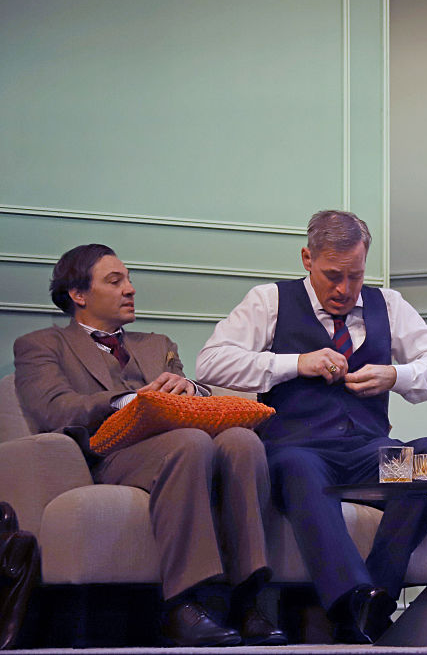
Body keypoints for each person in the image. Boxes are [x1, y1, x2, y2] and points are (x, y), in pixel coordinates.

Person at [196, 209, 427, 643]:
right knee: (301, 467)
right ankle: (347, 603)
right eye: (333, 276)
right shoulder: (269, 301)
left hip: (367, 454)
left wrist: (395, 376)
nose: (344, 290)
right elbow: (212, 362)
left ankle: (378, 596)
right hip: (296, 450)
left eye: (355, 276)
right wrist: (294, 364)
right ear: (307, 258)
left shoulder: (388, 304)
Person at [13, 244, 285, 647]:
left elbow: (194, 395)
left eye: (129, 279)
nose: (130, 289)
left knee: (242, 441)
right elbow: (53, 410)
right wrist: (134, 400)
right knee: (190, 442)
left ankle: (248, 601)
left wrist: (188, 388)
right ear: (78, 294)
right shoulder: (41, 345)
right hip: (109, 455)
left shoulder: (157, 343)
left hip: (181, 442)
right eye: (115, 280)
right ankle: (183, 604)